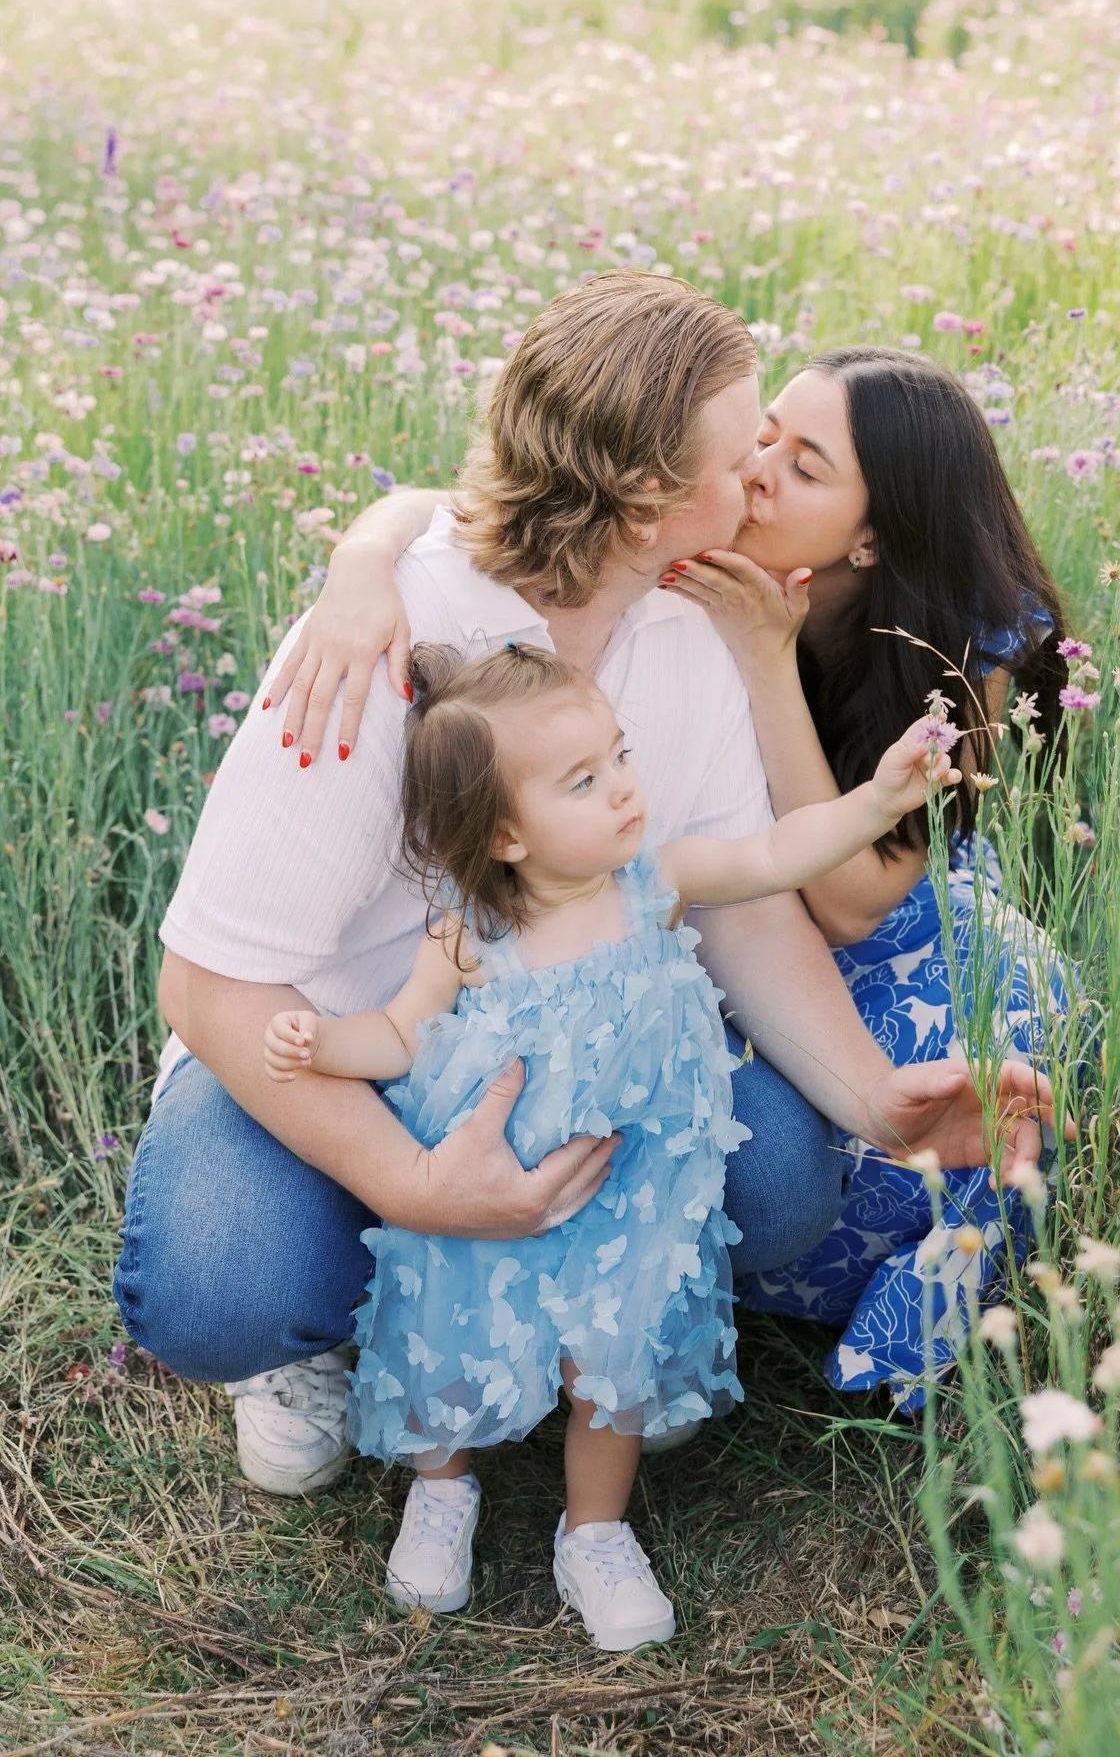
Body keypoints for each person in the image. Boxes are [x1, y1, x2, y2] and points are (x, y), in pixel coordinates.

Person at [115, 277, 1052, 1507]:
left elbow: (735, 901)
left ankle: (562, 1314)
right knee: (218, 1284)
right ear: (648, 497)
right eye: (745, 450)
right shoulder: (391, 633)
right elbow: (210, 979)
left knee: (779, 1185)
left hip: (565, 1037)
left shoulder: (691, 617)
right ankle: (330, 1332)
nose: (762, 473)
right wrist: (411, 1182)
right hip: (343, 1042)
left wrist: (879, 1102)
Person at [279, 342, 1079, 1410]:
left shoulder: (948, 646)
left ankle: (706, 1299)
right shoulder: (682, 536)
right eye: (767, 436)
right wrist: (360, 559)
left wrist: (762, 659)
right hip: (678, 910)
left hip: (842, 931)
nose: (759, 470)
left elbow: (844, 905)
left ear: (874, 531)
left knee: (898, 1122)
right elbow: (474, 507)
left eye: (805, 467)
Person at [260, 639, 959, 1640]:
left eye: (621, 758)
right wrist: (319, 1041)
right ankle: (443, 1489)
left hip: (630, 1197)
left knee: (615, 1365)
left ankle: (592, 1532)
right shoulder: (468, 931)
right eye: (585, 782)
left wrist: (879, 803)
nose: (627, 791)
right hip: (483, 1186)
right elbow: (402, 1033)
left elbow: (773, 855)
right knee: (456, 1338)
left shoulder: (656, 882)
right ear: (505, 835)